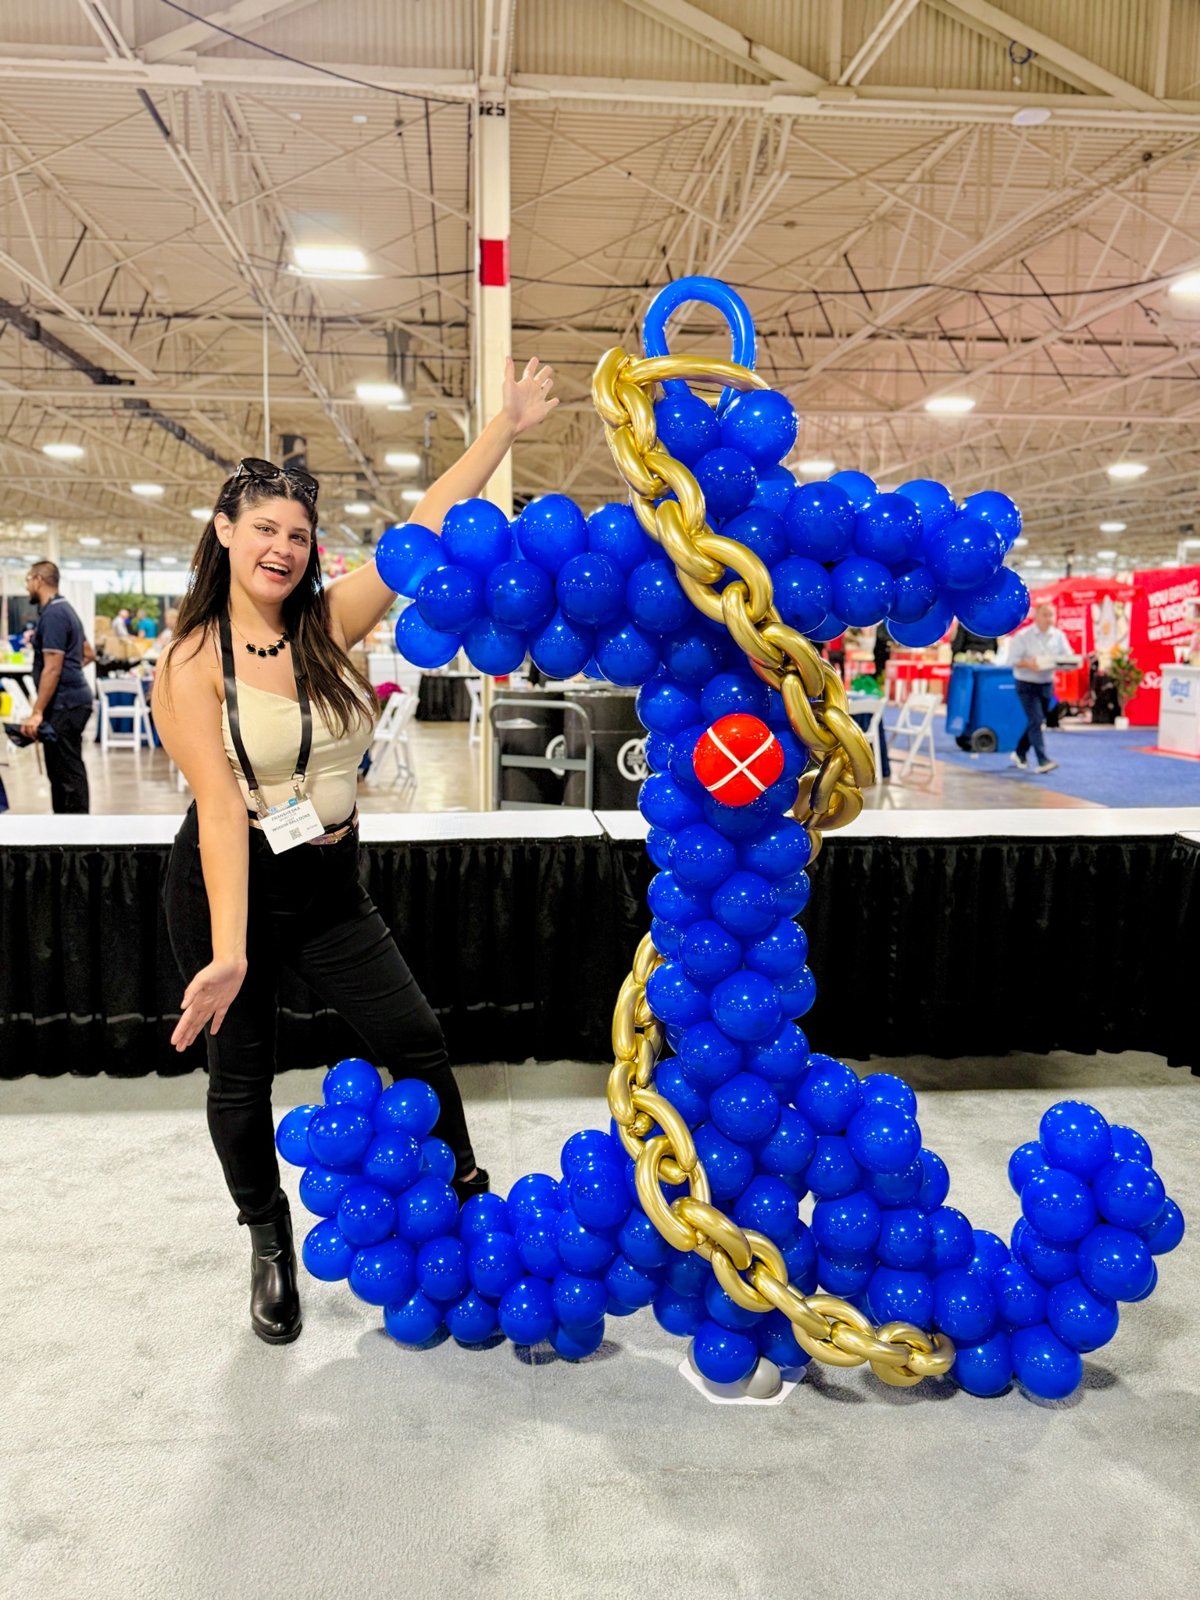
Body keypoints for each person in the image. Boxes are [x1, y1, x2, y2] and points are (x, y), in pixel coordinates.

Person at [152, 356, 558, 1346]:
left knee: (413, 1037)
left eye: (298, 534)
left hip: (331, 879)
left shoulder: (330, 627)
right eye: (264, 529)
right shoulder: (189, 659)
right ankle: (268, 1238)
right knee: (242, 1075)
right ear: (224, 531)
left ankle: (464, 1192)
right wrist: (233, 951)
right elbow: (216, 810)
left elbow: (423, 526)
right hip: (227, 884)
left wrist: (500, 431)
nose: (282, 548)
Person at [21, 560, 95, 813]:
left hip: (64, 703)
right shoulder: (66, 610)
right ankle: (67, 828)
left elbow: (53, 666)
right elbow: (88, 653)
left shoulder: (53, 614)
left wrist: (37, 711)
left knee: (66, 772)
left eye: (28, 580)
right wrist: (69, 672)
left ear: (39, 580)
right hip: (73, 699)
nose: (27, 586)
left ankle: (74, 835)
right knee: (64, 767)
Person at [1006, 601, 1078, 774]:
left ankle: (1019, 752)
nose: (1049, 619)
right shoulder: (1023, 636)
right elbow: (1011, 661)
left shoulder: (1059, 636)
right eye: (1045, 614)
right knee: (1036, 720)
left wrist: (1069, 663)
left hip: (1046, 684)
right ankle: (1042, 759)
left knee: (1036, 721)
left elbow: (1068, 657)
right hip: (1026, 684)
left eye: (1052, 615)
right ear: (1036, 616)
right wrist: (1028, 663)